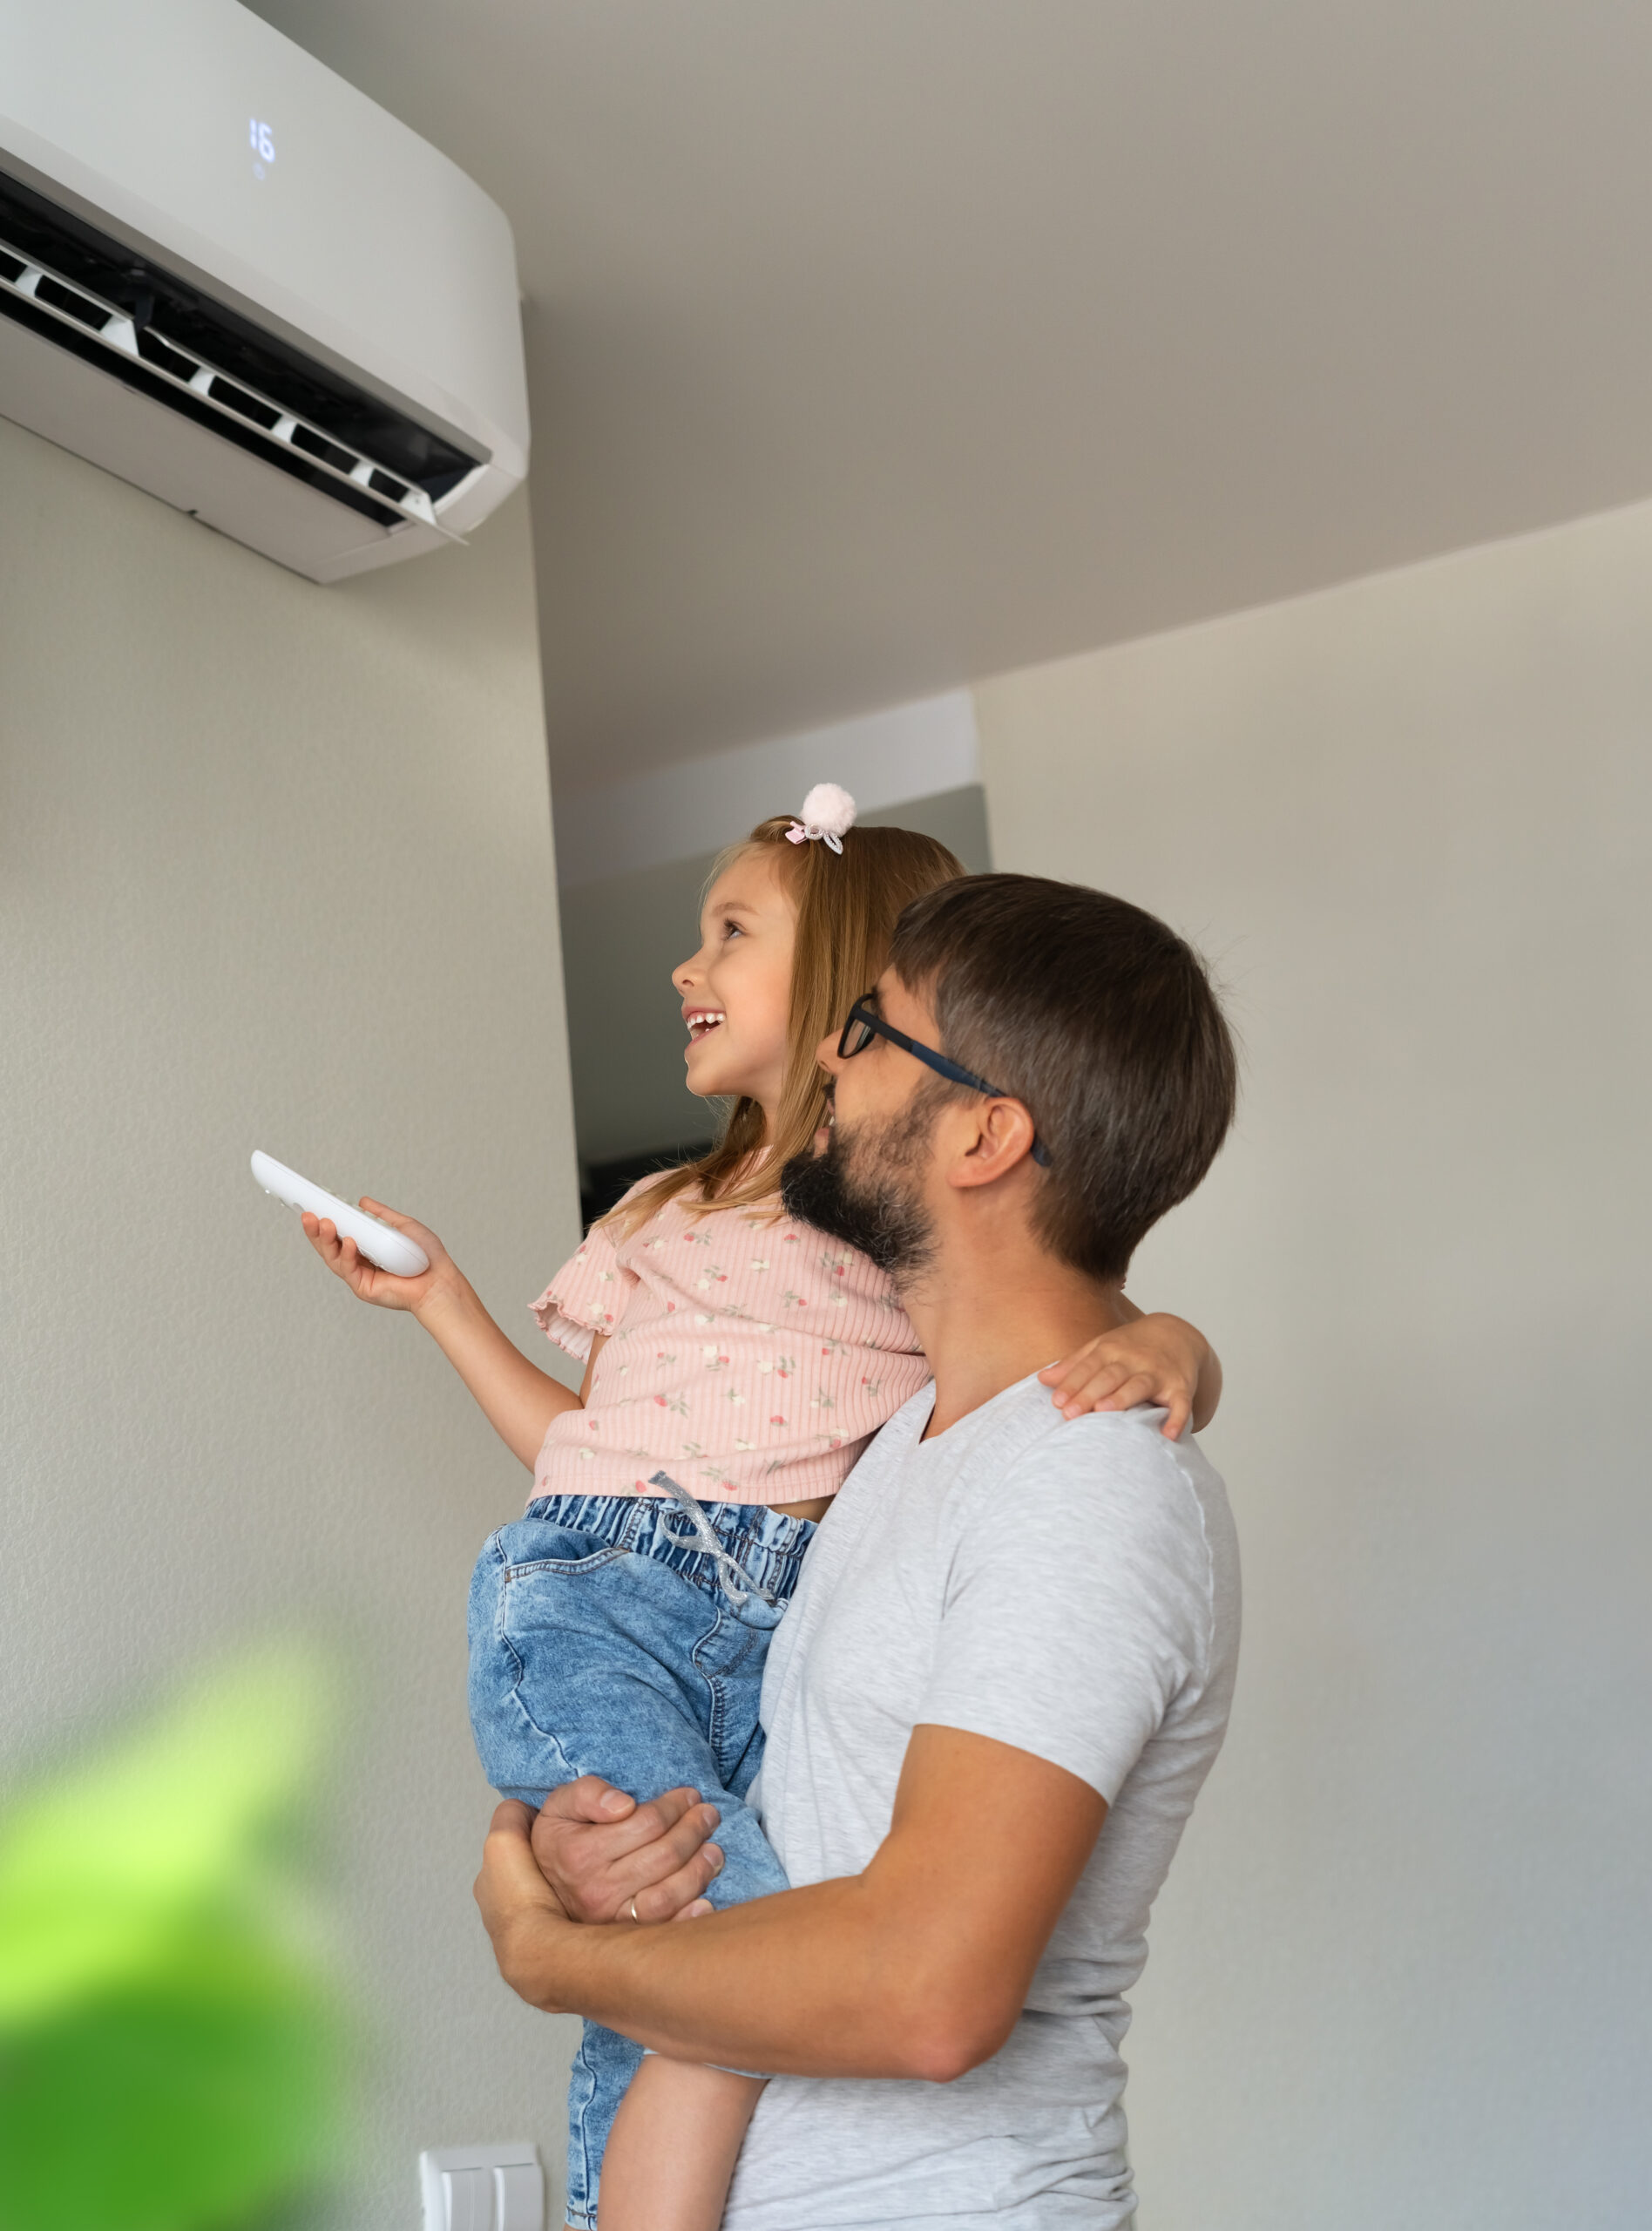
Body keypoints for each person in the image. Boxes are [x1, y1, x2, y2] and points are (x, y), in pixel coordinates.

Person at [296, 804, 1221, 2231]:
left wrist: (547, 1959)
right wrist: (570, 1848)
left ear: (985, 1133)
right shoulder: (901, 1447)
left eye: (871, 1037)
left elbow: (927, 1996)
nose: (830, 1069)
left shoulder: (1088, 1475)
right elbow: (730, 1723)